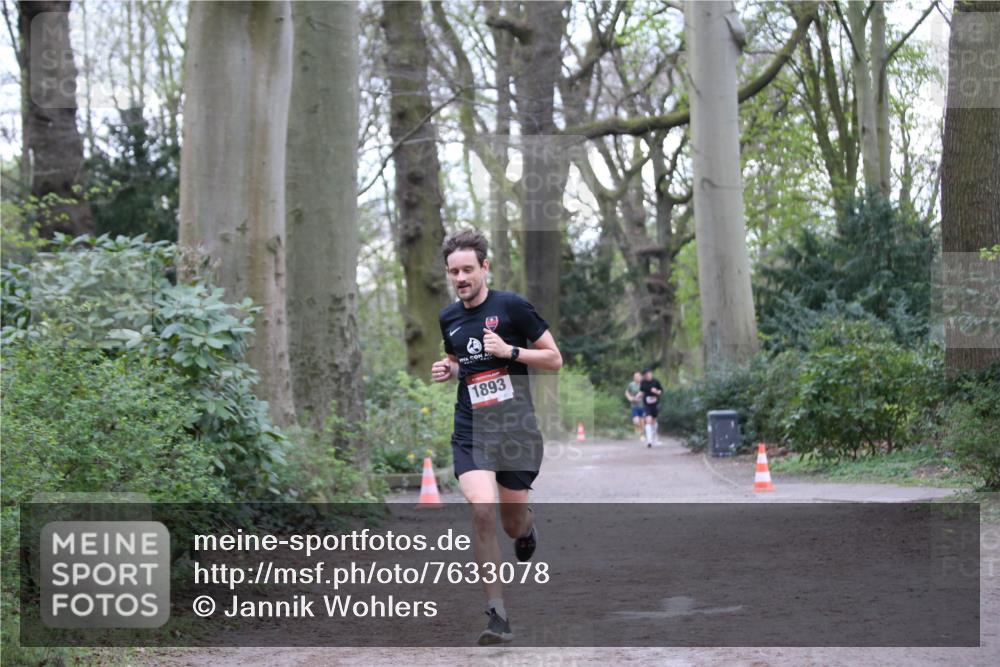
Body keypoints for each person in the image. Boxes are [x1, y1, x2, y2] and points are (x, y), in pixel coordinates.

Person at [431, 229, 563, 645]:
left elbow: (555, 359)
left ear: (484, 268)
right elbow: (459, 362)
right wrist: (448, 370)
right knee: (481, 510)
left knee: (510, 524)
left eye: (468, 269)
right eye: (454, 271)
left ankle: (527, 529)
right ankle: (497, 614)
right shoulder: (449, 317)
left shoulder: (512, 307)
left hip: (516, 432)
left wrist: (511, 352)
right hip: (472, 431)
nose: (461, 278)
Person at [639, 367, 663, 448]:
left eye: (650, 374)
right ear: (645, 375)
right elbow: (642, 391)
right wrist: (638, 396)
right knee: (648, 420)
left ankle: (655, 437)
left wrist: (656, 391)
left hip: (655, 404)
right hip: (647, 405)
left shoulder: (656, 382)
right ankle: (649, 440)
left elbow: (661, 392)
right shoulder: (643, 383)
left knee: (654, 421)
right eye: (647, 374)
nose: (648, 375)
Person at [625, 371, 644, 440]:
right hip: (634, 406)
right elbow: (627, 392)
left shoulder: (644, 384)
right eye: (635, 377)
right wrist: (630, 398)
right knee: (636, 421)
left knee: (642, 421)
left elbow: (644, 392)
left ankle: (642, 435)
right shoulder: (631, 384)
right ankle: (638, 430)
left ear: (641, 377)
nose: (636, 378)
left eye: (638, 376)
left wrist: (639, 395)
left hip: (643, 405)